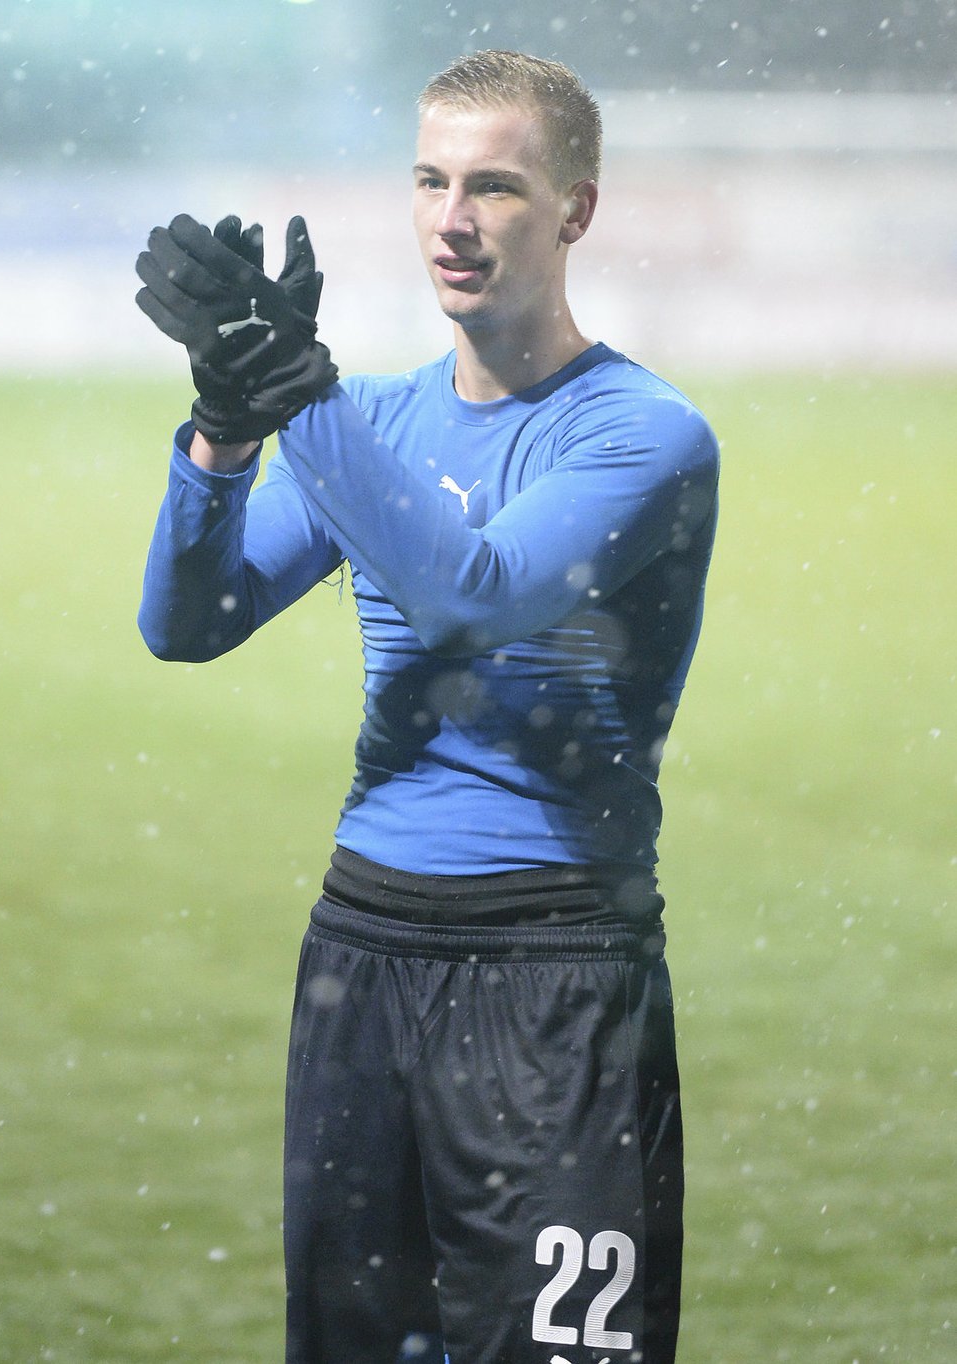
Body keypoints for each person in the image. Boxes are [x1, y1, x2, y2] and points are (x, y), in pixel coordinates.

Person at [135, 49, 718, 1364]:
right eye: (429, 181)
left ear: (573, 209)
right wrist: (226, 434)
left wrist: (303, 398)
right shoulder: (381, 416)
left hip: (554, 971)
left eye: (495, 187)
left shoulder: (646, 434)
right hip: (360, 959)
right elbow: (189, 622)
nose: (452, 220)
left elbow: (472, 595)